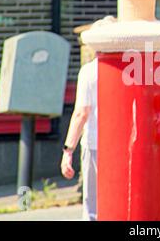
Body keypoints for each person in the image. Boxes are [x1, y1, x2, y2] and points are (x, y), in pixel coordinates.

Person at [61, 55, 98, 221]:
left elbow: (81, 113)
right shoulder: (130, 69)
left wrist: (68, 151)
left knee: (92, 206)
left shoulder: (89, 71)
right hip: (124, 145)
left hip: (95, 143)